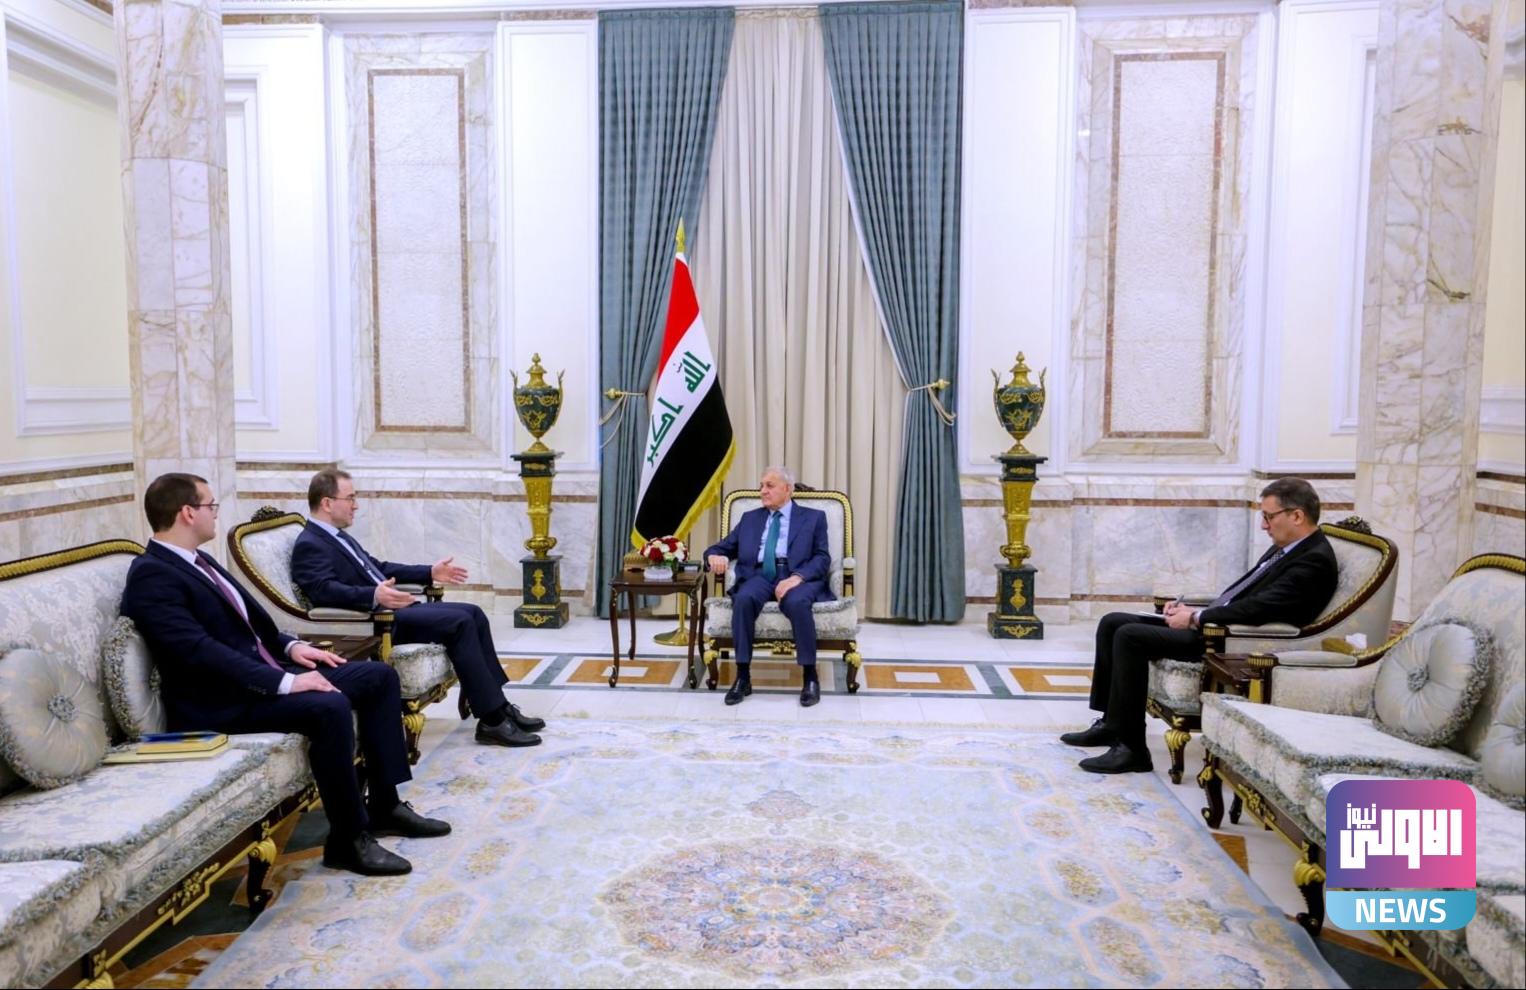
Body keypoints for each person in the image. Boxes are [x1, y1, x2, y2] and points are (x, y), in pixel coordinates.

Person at [120, 473, 450, 877]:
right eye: (210, 505)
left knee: (378, 678)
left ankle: (385, 804)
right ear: (188, 513)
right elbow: (198, 652)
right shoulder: (152, 574)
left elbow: (249, 625)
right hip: (220, 701)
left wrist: (291, 647)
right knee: (328, 706)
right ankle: (348, 839)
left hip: (263, 673)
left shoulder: (198, 560)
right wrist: (287, 682)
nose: (215, 513)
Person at [1063, 477, 1339, 774]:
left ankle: (1132, 750)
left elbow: (1260, 608)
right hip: (1219, 624)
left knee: (1130, 636)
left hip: (1229, 640)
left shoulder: (1313, 561)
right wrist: (1194, 610)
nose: (1263, 525)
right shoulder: (1286, 548)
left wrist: (1197, 618)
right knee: (1112, 622)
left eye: (1269, 517)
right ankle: (1111, 724)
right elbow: (1241, 596)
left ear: (1296, 516)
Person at [290, 468, 545, 748]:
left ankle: (499, 706)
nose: (356, 505)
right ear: (327, 503)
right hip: (376, 622)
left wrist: (429, 572)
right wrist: (373, 595)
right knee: (460, 623)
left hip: (392, 610)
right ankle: (492, 721)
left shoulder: (337, 536)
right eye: (350, 498)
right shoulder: (310, 544)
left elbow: (378, 567)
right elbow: (323, 590)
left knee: (473, 612)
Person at [705, 466, 834, 707]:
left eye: (769, 486)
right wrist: (714, 556)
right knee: (743, 599)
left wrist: (796, 578)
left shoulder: (814, 517)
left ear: (788, 489)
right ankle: (743, 677)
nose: (762, 491)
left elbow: (822, 557)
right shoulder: (750, 518)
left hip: (796, 576)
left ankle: (810, 677)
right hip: (760, 574)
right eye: (761, 486)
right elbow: (722, 548)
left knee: (798, 602)